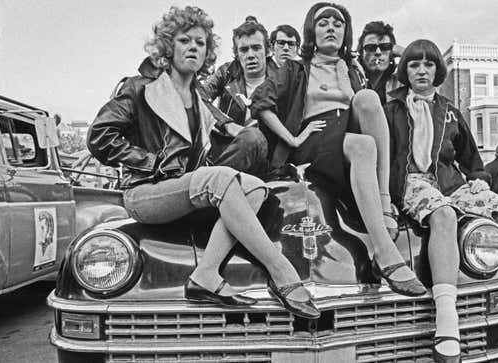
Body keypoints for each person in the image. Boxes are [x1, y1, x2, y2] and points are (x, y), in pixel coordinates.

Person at [87, 6, 319, 319]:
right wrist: (152, 161)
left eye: (200, 42)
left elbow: (228, 124)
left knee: (255, 188)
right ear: (169, 46)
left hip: (185, 188)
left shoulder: (198, 95)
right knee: (219, 178)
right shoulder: (139, 88)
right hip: (145, 191)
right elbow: (100, 136)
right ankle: (282, 272)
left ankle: (205, 275)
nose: (194, 47)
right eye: (185, 40)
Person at [384, 39, 498, 361]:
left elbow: (472, 160)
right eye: (414, 64)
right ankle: (447, 318)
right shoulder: (392, 108)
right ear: (405, 71)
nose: (422, 70)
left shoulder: (450, 110)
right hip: (412, 182)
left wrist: (479, 182)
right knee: (444, 217)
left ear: (438, 69)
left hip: (451, 183)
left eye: (428, 64)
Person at [251, 2, 425, 298]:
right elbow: (259, 101)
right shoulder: (296, 67)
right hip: (313, 141)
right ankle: (385, 251)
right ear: (311, 31)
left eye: (338, 23)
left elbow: (407, 62)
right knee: (361, 144)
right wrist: (292, 139)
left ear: (347, 34)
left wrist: (389, 49)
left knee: (368, 99)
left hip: (346, 139)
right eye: (323, 23)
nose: (331, 27)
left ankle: (383, 205)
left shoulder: (354, 72)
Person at [199, 16, 277, 176]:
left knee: (253, 137)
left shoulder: (281, 78)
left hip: (265, 155)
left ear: (267, 50)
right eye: (244, 49)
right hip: (229, 147)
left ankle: (212, 181)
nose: (250, 55)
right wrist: (226, 123)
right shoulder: (226, 72)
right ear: (236, 53)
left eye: (256, 48)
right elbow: (198, 96)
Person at [356, 21, 400, 105]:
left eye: (385, 47)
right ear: (361, 53)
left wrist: (404, 52)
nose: (378, 52)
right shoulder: (350, 78)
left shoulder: (398, 82)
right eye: (370, 47)